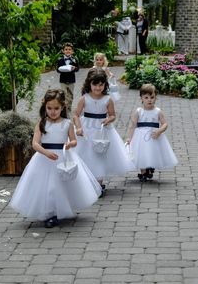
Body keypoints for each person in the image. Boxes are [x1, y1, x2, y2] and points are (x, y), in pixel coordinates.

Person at [10, 89, 101, 228]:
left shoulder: (67, 123)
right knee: (48, 186)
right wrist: (45, 153)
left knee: (62, 184)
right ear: (44, 107)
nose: (53, 111)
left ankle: (62, 208)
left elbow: (74, 140)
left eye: (56, 108)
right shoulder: (42, 123)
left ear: (63, 107)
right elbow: (35, 143)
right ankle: (50, 213)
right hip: (44, 159)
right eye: (49, 108)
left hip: (63, 157)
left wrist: (70, 144)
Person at [73, 68, 134, 196]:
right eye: (95, 84)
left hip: (102, 129)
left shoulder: (108, 99)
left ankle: (99, 183)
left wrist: (108, 119)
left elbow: (112, 115)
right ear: (89, 84)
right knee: (86, 154)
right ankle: (87, 182)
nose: (98, 87)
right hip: (87, 129)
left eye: (101, 84)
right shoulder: (84, 98)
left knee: (100, 155)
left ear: (105, 85)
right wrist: (78, 127)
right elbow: (76, 115)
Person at [126, 84, 178, 182]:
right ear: (141, 98)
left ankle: (149, 167)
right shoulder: (139, 111)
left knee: (151, 153)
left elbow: (165, 124)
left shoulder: (157, 111)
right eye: (146, 97)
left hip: (154, 136)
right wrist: (129, 138)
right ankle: (143, 172)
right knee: (141, 153)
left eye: (152, 97)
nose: (149, 100)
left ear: (156, 97)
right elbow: (132, 126)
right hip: (140, 138)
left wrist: (159, 130)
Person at [56, 42, 79, 112]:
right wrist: (61, 69)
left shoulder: (74, 59)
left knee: (70, 95)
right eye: (66, 49)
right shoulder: (60, 60)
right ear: (63, 51)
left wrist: (74, 68)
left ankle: (69, 106)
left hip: (71, 80)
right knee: (64, 94)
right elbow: (57, 69)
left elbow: (78, 69)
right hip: (63, 80)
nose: (68, 51)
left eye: (69, 49)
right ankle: (64, 107)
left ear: (72, 51)